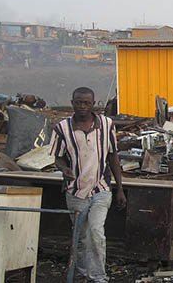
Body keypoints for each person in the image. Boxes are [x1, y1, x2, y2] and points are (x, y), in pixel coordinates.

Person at [49, 87, 126, 283]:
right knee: (81, 237)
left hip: (101, 189)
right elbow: (58, 157)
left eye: (86, 103)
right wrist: (64, 169)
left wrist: (120, 189)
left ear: (93, 104)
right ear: (72, 102)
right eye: (78, 102)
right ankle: (83, 274)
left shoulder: (106, 125)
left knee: (96, 232)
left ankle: (99, 277)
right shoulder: (62, 128)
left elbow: (113, 156)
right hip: (75, 191)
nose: (82, 106)